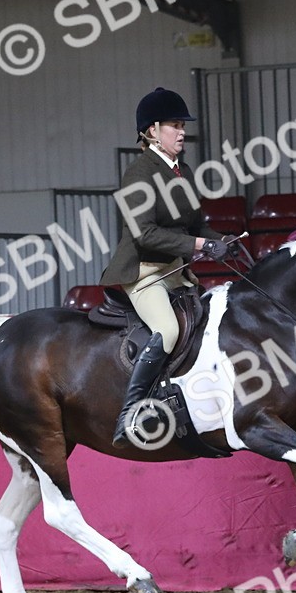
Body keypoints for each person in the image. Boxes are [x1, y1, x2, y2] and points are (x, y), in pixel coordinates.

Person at [101, 87, 230, 448]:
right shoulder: (138, 173)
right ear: (152, 131)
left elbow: (195, 226)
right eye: (174, 125)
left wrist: (224, 240)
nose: (182, 131)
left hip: (175, 271)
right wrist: (202, 245)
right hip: (144, 272)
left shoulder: (181, 170)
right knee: (168, 330)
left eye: (181, 125)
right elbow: (145, 234)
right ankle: (130, 413)